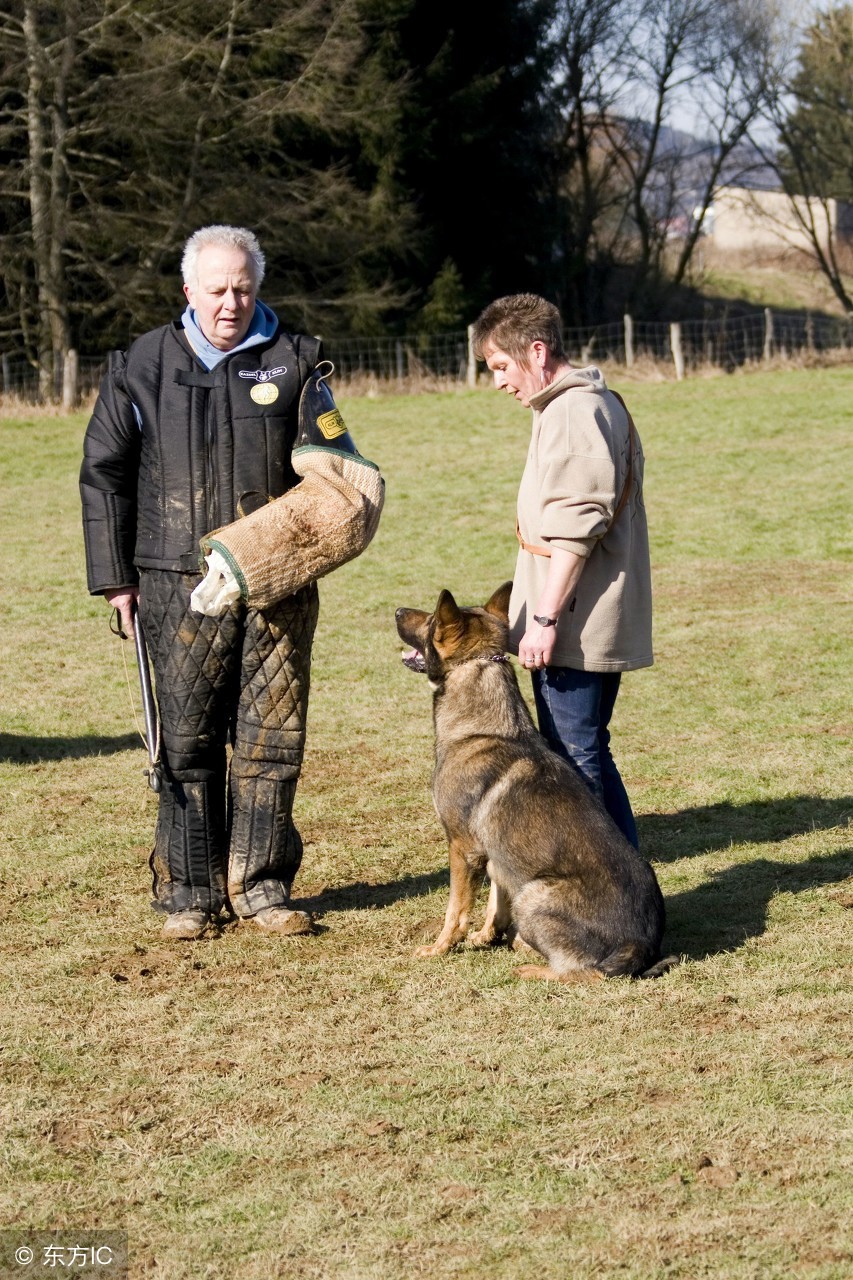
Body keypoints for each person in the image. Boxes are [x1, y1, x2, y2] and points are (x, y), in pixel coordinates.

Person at [81, 224, 343, 940]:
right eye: (217, 289)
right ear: (189, 290)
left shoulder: (299, 362)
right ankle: (189, 893)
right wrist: (115, 581)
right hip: (172, 580)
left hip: (278, 585)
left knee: (269, 741)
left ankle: (260, 886)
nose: (230, 303)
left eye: (243, 288)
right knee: (187, 741)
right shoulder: (141, 365)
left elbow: (334, 472)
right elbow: (104, 475)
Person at [470, 293, 652, 849]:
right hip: (579, 609)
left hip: (573, 616)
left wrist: (545, 618)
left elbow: (575, 530)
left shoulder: (576, 411)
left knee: (574, 761)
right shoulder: (570, 406)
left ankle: (607, 902)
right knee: (585, 747)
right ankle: (626, 886)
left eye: (501, 366)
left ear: (538, 351)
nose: (499, 382)